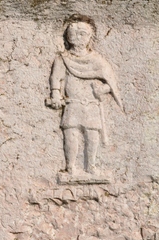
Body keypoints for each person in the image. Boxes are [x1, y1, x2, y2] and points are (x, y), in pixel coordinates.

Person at [46, 14, 122, 181]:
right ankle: (71, 166)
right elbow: (55, 79)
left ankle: (91, 166)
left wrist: (102, 89)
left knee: (92, 136)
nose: (77, 37)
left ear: (90, 37)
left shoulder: (97, 60)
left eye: (82, 33)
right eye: (73, 33)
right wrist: (56, 94)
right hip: (73, 104)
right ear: (67, 36)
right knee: (71, 134)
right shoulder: (63, 58)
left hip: (91, 104)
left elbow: (111, 83)